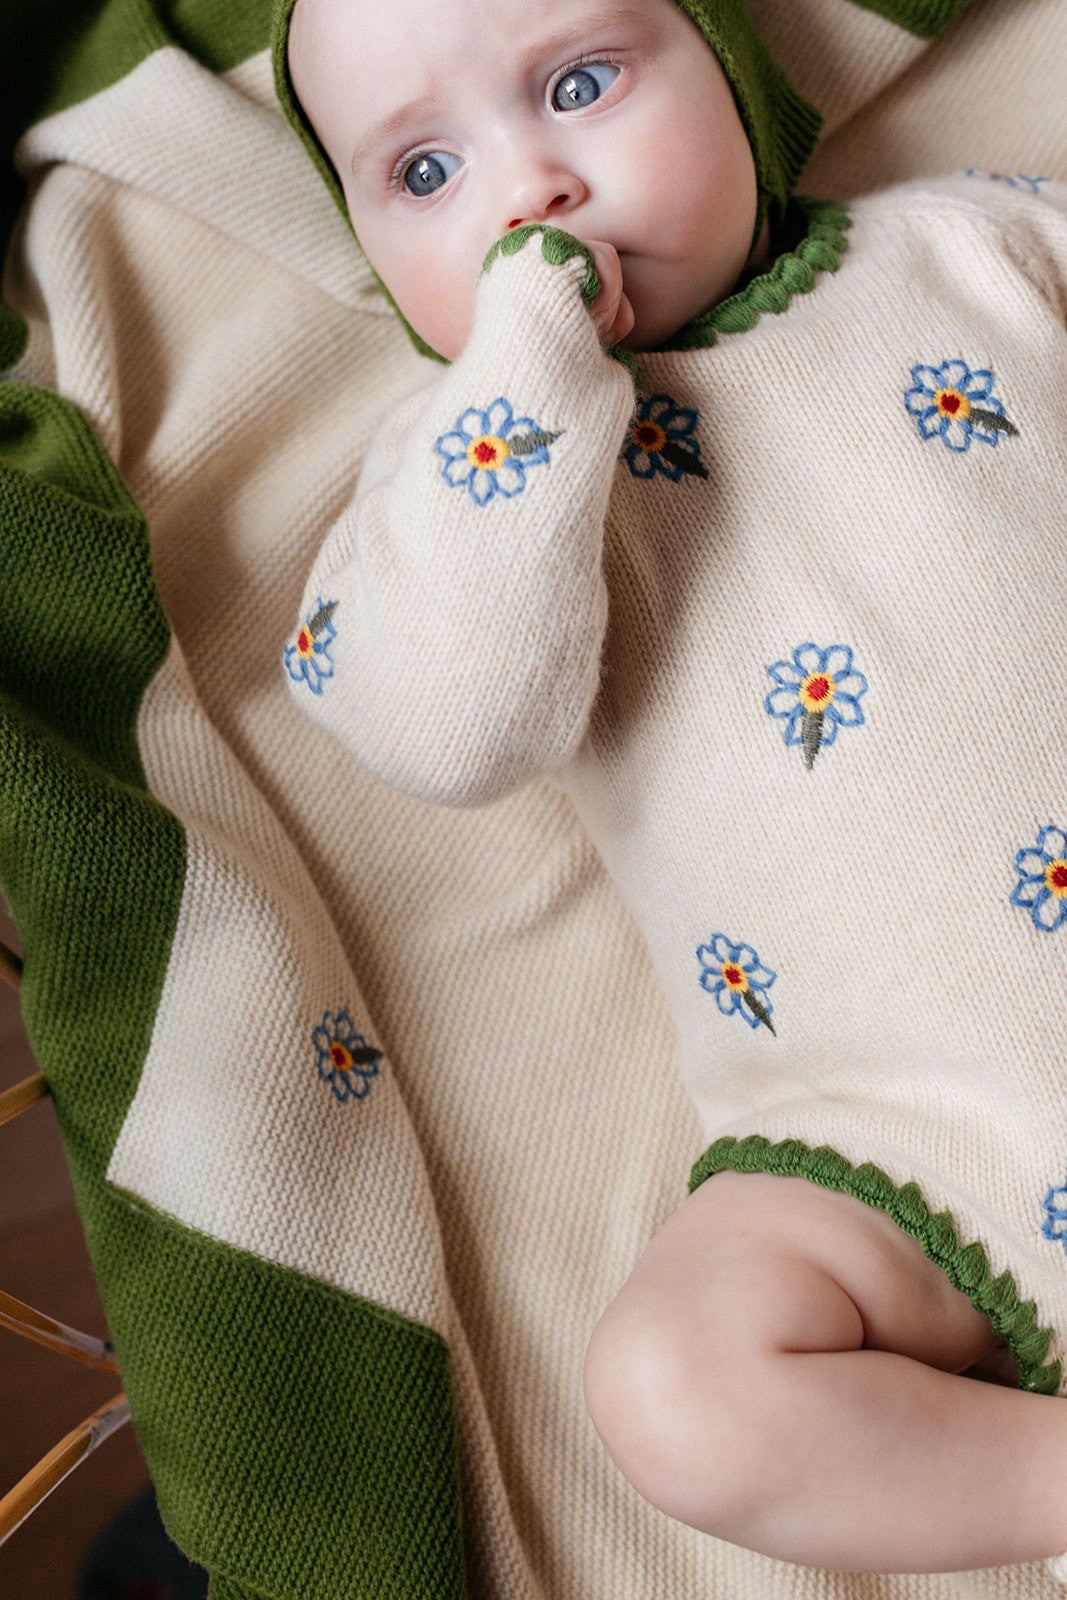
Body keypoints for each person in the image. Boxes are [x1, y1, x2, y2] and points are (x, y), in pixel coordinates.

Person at [274, 0, 1067, 1574]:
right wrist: (527, 377)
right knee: (677, 1393)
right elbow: (449, 728)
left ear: (734, 69)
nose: (529, 192)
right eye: (424, 172)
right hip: (894, 1146)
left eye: (579, 85)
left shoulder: (976, 248)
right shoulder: (452, 487)